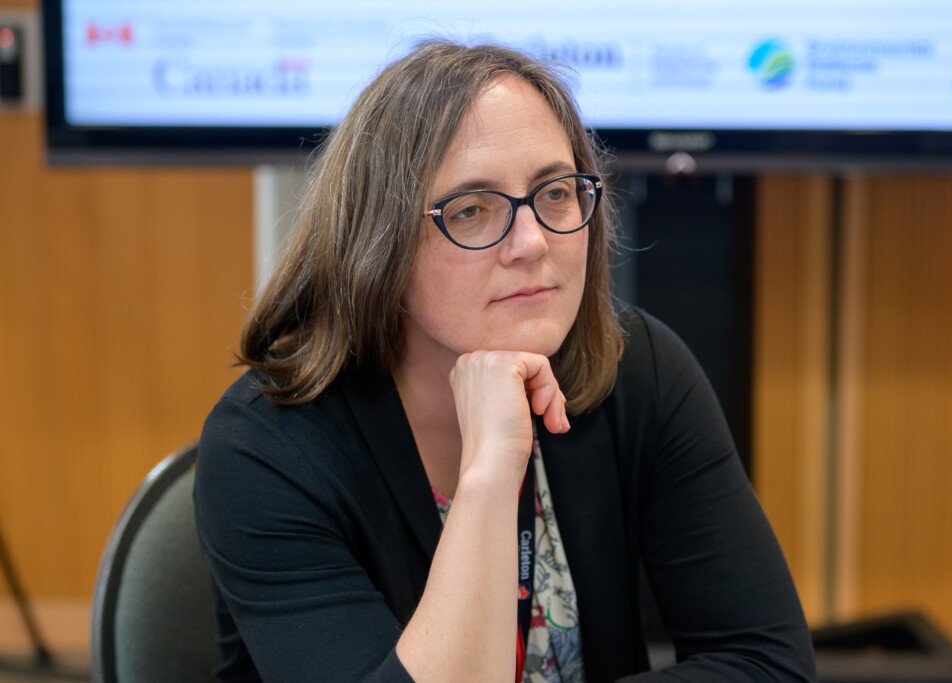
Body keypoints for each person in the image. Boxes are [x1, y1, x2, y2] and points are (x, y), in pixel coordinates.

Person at [194, 40, 816, 683]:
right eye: (470, 209)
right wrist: (490, 470)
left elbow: (767, 664)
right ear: (379, 244)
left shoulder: (637, 368)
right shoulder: (267, 447)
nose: (532, 242)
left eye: (554, 192)